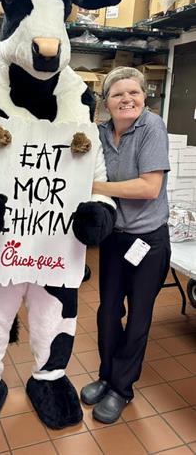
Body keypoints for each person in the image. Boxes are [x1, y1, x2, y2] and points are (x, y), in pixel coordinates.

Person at [80, 66, 171, 424]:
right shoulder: (100, 132)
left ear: (144, 97)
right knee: (107, 312)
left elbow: (149, 187)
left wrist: (95, 187)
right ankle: (106, 375)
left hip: (148, 241)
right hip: (116, 238)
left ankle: (122, 387)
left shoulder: (152, 127)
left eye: (133, 92)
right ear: (106, 101)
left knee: (138, 319)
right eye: (117, 94)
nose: (126, 99)